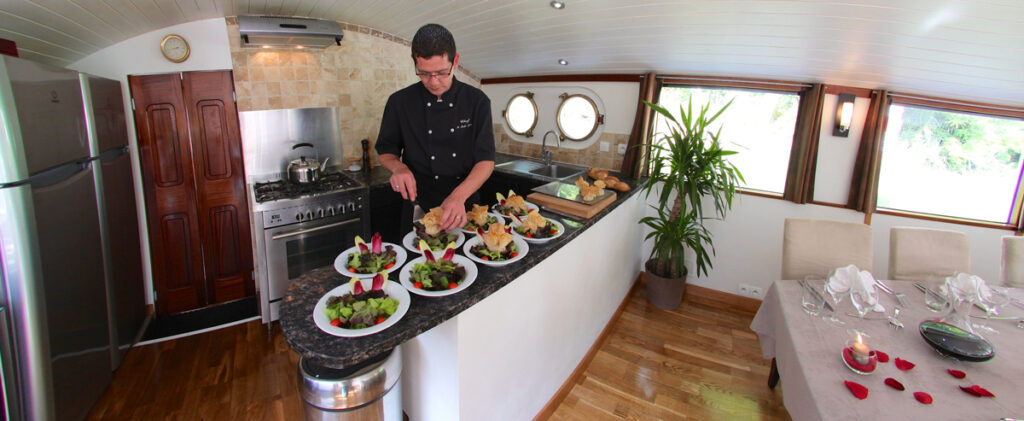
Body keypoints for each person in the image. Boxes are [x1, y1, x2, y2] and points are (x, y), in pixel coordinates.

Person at [375, 23, 495, 232]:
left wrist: (457, 197)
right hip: (418, 204)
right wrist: (398, 168)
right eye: (423, 73)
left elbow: (486, 161)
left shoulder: (477, 101)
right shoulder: (399, 102)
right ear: (415, 64)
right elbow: (386, 152)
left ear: (455, 61)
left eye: (441, 72)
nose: (433, 81)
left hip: (465, 205)